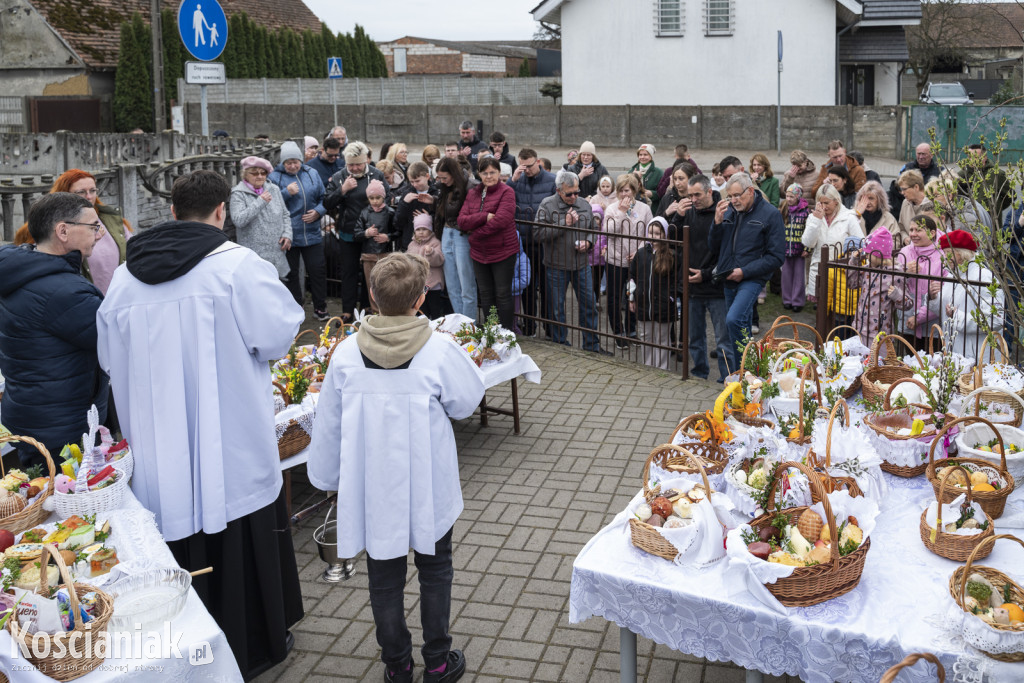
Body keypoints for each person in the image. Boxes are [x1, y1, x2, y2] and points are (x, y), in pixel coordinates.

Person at [96, 170, 305, 679]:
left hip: (158, 446)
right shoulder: (237, 268)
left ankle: (184, 650)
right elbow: (277, 337)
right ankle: (254, 644)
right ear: (221, 212)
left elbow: (107, 357)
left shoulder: (125, 276)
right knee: (236, 523)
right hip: (227, 439)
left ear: (171, 212)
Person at [307, 252, 484, 683]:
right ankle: (438, 662)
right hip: (428, 481)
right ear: (421, 299)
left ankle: (397, 665)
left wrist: (329, 481)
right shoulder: (439, 349)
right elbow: (465, 402)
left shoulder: (346, 354)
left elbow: (328, 424)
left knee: (384, 575)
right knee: (436, 567)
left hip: (372, 486)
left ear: (370, 295)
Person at [0, 192, 106, 467]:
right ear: (63, 231)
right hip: (62, 425)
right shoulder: (63, 291)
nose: (100, 234)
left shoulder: (23, 269)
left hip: (30, 414)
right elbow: (113, 338)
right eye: (93, 226)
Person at [14, 169, 133, 295]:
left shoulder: (111, 218)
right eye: (81, 192)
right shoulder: (46, 226)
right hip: (77, 296)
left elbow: (132, 247)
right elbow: (43, 263)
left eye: (92, 190)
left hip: (116, 297)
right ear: (64, 195)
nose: (89, 196)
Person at [711, 172, 785, 373]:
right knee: (738, 329)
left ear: (750, 190)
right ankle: (744, 375)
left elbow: (777, 256)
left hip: (751, 278)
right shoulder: (729, 211)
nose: (733, 200)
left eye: (737, 195)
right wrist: (716, 223)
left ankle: (744, 374)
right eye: (730, 196)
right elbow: (714, 246)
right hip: (728, 277)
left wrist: (744, 272)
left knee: (733, 319)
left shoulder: (770, 214)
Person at [534, 170, 609, 355]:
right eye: (570, 194)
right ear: (559, 191)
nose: (574, 196)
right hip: (556, 266)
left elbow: (593, 228)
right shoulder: (547, 205)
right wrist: (563, 223)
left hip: (581, 265)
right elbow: (537, 234)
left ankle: (591, 345)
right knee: (557, 308)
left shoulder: (583, 204)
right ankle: (561, 345)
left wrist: (589, 242)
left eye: (577, 191)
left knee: (589, 305)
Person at [325, 141, 391, 317]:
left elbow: (388, 197)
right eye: (350, 164)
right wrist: (342, 190)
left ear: (366, 162)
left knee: (370, 272)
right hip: (349, 231)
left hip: (371, 232)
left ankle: (366, 307)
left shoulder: (376, 174)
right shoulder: (340, 176)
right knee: (349, 272)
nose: (354, 168)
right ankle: (347, 310)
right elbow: (327, 203)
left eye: (358, 164)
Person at [269, 140, 329, 320]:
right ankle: (296, 306)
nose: (293, 165)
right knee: (291, 273)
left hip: (312, 231)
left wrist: (318, 212)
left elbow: (324, 197)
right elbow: (271, 203)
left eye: (296, 161)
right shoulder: (274, 177)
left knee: (318, 270)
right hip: (289, 234)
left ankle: (321, 308)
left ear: (301, 160)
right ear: (282, 163)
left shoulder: (312, 173)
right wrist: (286, 192)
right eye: (289, 163)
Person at [458, 157, 519, 329]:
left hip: (503, 251)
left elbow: (501, 220)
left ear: (499, 173)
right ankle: (492, 329)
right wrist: (483, 217)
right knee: (485, 294)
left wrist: (475, 236)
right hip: (479, 253)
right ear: (479, 174)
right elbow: (462, 220)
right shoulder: (473, 193)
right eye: (485, 173)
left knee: (502, 294)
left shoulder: (507, 192)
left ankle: (506, 332)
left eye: (492, 172)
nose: (489, 176)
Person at [680, 175, 729, 380]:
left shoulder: (723, 213)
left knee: (723, 339)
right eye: (690, 195)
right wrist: (676, 216)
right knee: (695, 337)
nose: (694, 199)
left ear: (710, 192)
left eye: (697, 194)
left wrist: (707, 274)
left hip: (716, 286)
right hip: (693, 285)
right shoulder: (689, 213)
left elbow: (726, 253)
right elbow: (676, 242)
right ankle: (699, 374)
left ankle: (727, 378)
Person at [930, 230, 1004, 360]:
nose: (945, 257)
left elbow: (995, 319)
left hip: (978, 356)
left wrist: (957, 316)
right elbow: (944, 310)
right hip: (955, 352)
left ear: (961, 253)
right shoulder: (953, 275)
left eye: (948, 253)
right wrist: (933, 297)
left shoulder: (984, 277)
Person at [508, 148, 557, 336]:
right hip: (524, 243)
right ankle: (529, 325)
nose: (526, 170)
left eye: (529, 166)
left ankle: (549, 326)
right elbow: (507, 198)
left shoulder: (551, 181)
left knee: (547, 287)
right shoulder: (517, 180)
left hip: (545, 243)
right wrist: (513, 181)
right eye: (523, 166)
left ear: (537, 162)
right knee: (526, 286)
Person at [603, 174, 653, 348]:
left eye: (627, 190)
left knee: (634, 294)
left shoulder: (644, 208)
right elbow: (608, 232)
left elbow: (649, 233)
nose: (624, 195)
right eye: (621, 191)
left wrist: (639, 251)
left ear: (634, 190)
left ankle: (632, 331)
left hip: (636, 261)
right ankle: (618, 332)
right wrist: (622, 213)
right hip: (615, 260)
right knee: (615, 297)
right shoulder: (611, 209)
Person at [629, 217, 680, 370]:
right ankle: (648, 366)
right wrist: (632, 297)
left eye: (657, 233)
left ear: (664, 235)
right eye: (650, 232)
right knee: (645, 336)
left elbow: (677, 281)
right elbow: (632, 276)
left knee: (662, 339)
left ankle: (662, 368)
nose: (653, 236)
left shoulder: (672, 255)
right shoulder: (640, 254)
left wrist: (671, 297)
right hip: (644, 303)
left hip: (663, 305)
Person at [229, 156, 292, 281]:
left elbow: (285, 214)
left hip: (276, 253)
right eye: (255, 173)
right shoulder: (238, 193)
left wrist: (288, 234)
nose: (260, 176)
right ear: (245, 174)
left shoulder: (274, 189)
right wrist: (260, 202)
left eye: (263, 173)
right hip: (254, 255)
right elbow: (239, 220)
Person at [801, 184, 864, 305]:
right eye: (820, 203)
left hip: (841, 271)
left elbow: (861, 242)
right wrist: (816, 221)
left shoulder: (848, 217)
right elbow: (808, 242)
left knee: (839, 308)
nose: (823, 207)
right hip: (820, 269)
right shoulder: (813, 217)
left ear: (836, 201)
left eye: (827, 203)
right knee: (822, 309)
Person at [847, 227, 912, 342]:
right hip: (860, 328)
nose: (866, 256)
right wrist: (854, 261)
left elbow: (908, 304)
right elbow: (852, 284)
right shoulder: (868, 270)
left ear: (878, 254)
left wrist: (897, 296)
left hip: (880, 333)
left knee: (878, 360)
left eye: (868, 253)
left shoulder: (895, 275)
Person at [434, 157, 476, 320]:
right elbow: (444, 211)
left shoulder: (470, 186)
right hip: (446, 231)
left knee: (466, 283)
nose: (442, 181)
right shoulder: (444, 187)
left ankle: (469, 323)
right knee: (451, 283)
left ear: (453, 173)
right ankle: (460, 322)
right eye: (440, 178)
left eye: (445, 177)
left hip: (462, 234)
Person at [898, 215, 944, 350]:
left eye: (918, 230)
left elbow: (942, 294)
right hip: (907, 321)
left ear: (932, 233)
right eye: (911, 230)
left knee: (931, 365)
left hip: (932, 325)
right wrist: (905, 272)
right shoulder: (905, 252)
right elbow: (894, 284)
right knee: (908, 365)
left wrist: (920, 317)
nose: (913, 234)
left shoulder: (943, 255)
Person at [355, 180, 395, 313]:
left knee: (386, 284)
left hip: (385, 254)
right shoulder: (364, 213)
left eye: (378, 197)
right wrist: (367, 233)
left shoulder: (389, 212)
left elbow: (398, 231)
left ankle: (387, 310)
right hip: (369, 255)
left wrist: (387, 237)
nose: (375, 201)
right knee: (371, 284)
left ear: (383, 197)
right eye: (371, 198)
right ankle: (375, 311)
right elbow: (357, 233)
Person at [406, 213, 447, 319]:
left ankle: (436, 328)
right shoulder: (412, 245)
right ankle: (424, 327)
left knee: (435, 309)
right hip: (419, 285)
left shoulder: (435, 243)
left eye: (424, 229)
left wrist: (431, 253)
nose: (421, 232)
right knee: (422, 309)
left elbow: (439, 261)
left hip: (433, 284)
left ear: (430, 229)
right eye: (418, 229)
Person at [890, 142, 942, 219]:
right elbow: (897, 187)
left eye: (924, 154)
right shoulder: (907, 167)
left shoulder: (939, 170)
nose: (920, 157)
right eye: (918, 154)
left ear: (931, 155)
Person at [395, 161, 438, 251]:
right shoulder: (407, 194)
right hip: (409, 242)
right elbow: (397, 222)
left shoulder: (436, 193)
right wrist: (404, 203)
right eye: (411, 182)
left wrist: (429, 218)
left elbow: (442, 218)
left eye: (418, 181)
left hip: (431, 243)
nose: (415, 185)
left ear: (427, 176)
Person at [780, 184, 810, 312]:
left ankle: (797, 301)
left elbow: (809, 232)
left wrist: (807, 248)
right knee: (786, 275)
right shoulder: (783, 209)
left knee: (799, 276)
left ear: (798, 196)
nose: (789, 198)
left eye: (792, 196)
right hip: (785, 248)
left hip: (799, 249)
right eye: (787, 196)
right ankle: (787, 299)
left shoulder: (805, 212)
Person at [895, 169, 934, 248]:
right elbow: (901, 228)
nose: (902, 193)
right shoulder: (905, 203)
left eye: (904, 189)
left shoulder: (932, 205)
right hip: (909, 250)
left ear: (916, 187)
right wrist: (905, 238)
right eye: (901, 189)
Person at [656, 162, 698, 227]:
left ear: (690, 179)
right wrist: (666, 213)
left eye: (681, 179)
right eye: (675, 179)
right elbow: (655, 224)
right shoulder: (667, 198)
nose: (677, 183)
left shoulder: (697, 199)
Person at [588, 203, 608, 311]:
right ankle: (590, 301)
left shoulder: (604, 231)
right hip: (589, 262)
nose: (596, 221)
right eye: (593, 218)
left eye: (597, 218)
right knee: (591, 282)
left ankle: (596, 301)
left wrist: (605, 248)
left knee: (597, 282)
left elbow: (606, 242)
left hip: (600, 262)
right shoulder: (588, 231)